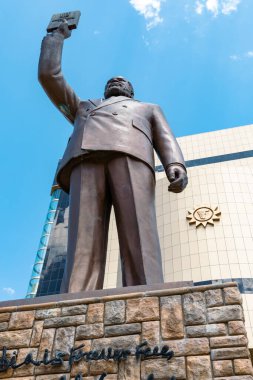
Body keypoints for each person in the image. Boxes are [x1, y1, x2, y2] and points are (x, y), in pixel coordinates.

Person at [38, 21, 188, 293]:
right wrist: (55, 38)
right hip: (85, 158)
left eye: (122, 81)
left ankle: (147, 289)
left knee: (139, 231)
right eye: (111, 81)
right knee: (83, 237)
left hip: (131, 155)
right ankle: (76, 296)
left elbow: (165, 136)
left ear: (131, 92)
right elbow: (50, 77)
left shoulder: (147, 108)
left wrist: (174, 164)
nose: (116, 81)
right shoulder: (83, 106)